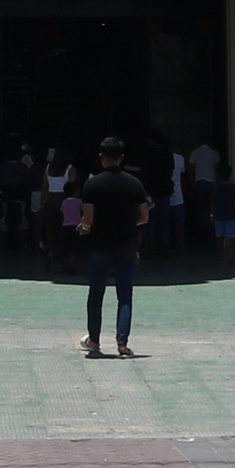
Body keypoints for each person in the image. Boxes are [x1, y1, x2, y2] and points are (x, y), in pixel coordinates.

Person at [75, 136, 154, 357]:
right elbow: (144, 217)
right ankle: (122, 343)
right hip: (127, 245)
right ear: (121, 158)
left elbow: (88, 220)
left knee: (96, 294)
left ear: (101, 157)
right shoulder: (134, 183)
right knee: (125, 296)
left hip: (100, 247)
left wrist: (84, 228)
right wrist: (126, 224)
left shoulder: (92, 185)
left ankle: (94, 340)